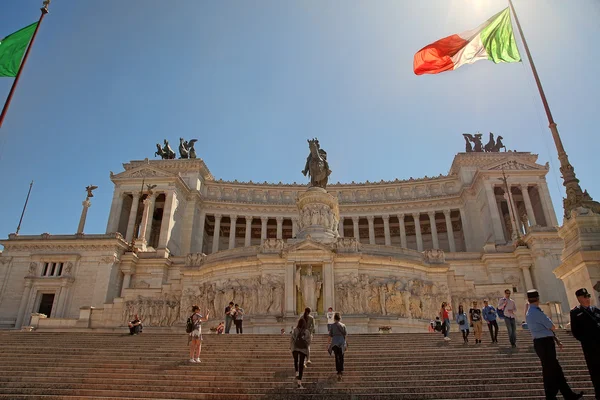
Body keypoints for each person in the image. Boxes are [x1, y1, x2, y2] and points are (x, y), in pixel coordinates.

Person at [526, 289, 583, 400]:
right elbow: (552, 326)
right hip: (545, 343)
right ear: (538, 298)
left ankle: (568, 395)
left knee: (556, 369)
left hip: (541, 342)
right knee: (549, 370)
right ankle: (550, 396)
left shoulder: (529, 312)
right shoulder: (537, 312)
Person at [569, 288, 600, 399]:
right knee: (595, 372)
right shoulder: (575, 313)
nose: (588, 299)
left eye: (588, 296)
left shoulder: (596, 310)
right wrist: (587, 341)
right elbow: (575, 331)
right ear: (579, 298)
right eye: (585, 297)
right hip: (590, 348)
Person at [290, 317, 311, 389]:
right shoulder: (307, 331)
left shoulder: (295, 330)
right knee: (301, 364)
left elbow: (292, 339)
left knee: (295, 360)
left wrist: (291, 348)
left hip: (295, 348)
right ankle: (299, 383)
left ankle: (296, 372)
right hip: (303, 349)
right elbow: (308, 342)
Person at [327, 312, 347, 381]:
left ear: (334, 318)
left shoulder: (332, 326)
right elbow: (345, 335)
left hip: (335, 342)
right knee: (341, 357)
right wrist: (346, 343)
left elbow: (330, 335)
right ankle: (341, 371)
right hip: (341, 342)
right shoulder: (343, 325)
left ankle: (338, 372)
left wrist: (328, 344)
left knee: (336, 357)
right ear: (340, 318)